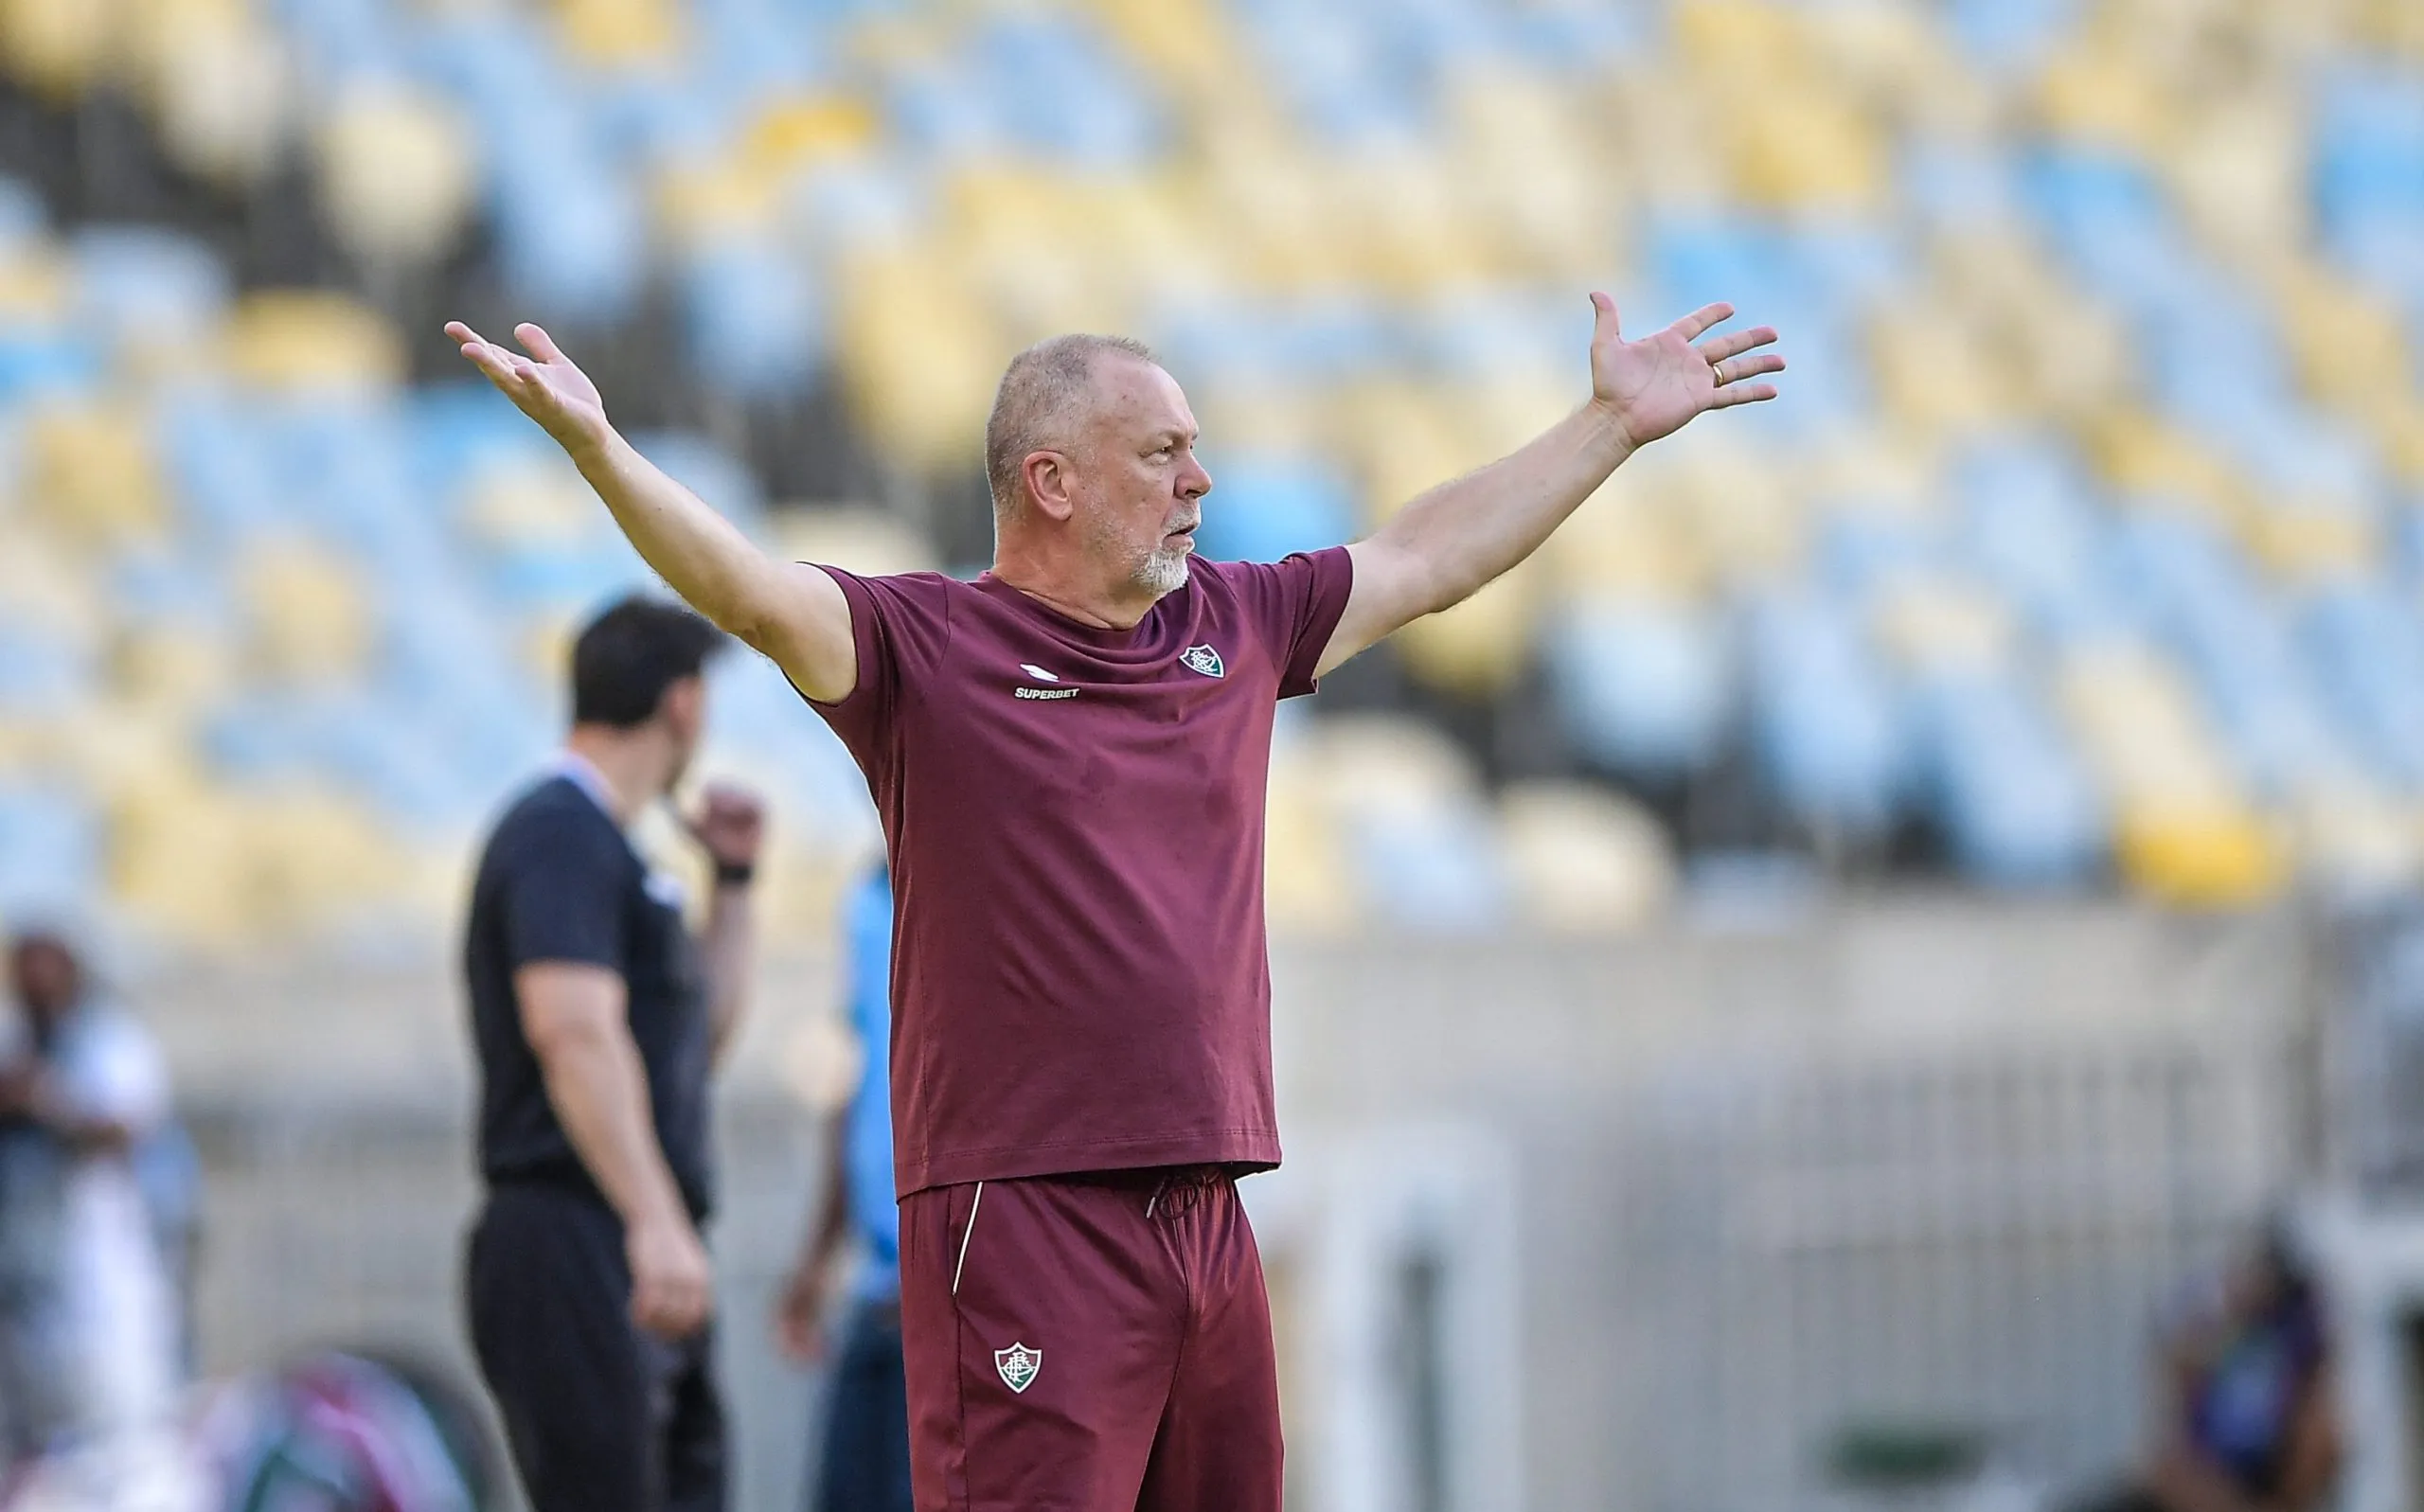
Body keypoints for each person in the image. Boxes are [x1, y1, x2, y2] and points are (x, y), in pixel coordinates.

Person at [446, 289, 1781, 1511]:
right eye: (1162, 454)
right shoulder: (926, 653)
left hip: (1206, 1212)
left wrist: (1606, 427)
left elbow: (1429, 557)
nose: (1200, 480)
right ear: (1053, 481)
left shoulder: (1237, 623)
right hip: (1023, 1215)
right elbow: (744, 586)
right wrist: (602, 454)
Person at [459, 596, 766, 1512]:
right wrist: (653, 1216)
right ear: (684, 704)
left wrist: (736, 887)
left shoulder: (616, 853)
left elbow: (689, 1044)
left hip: (627, 1230)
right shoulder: (560, 832)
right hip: (577, 1227)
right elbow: (571, 1030)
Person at [0, 929, 182, 1471]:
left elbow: (126, 1130)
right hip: (23, 1295)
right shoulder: (12, 1043)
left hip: (102, 1292)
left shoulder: (111, 1043)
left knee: (126, 1454)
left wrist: (49, 1104)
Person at [775, 863, 913, 1512]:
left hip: (955, 1296)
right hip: (876, 1291)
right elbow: (854, 1085)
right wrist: (817, 1254)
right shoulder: (865, 898)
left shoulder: (992, 881)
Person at [2075, 1222, 2339, 1512]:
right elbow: (2169, 1450)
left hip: (2261, 1478)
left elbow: (2318, 1441)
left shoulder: (2297, 1338)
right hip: (2207, 1478)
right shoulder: (2212, 1331)